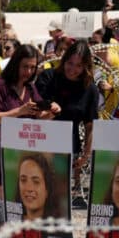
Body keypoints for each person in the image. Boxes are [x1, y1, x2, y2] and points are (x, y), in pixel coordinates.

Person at [0, 44, 57, 195]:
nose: (29, 72)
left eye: (32, 67)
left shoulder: (30, 88)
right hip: (0, 148)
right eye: (25, 66)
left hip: (23, 149)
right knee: (8, 196)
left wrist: (52, 112)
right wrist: (19, 111)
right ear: (15, 64)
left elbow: (38, 117)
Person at [35, 41, 99, 207]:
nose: (73, 69)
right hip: (40, 141)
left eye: (79, 65)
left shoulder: (89, 89)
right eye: (70, 63)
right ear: (63, 60)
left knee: (58, 200)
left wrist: (86, 155)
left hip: (69, 146)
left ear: (86, 66)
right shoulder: (49, 78)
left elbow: (90, 125)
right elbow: (34, 110)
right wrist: (49, 111)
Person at [13, 153, 60, 222]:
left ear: (47, 190)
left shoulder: (59, 225)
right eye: (23, 180)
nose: (29, 188)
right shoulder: (11, 223)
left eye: (36, 182)